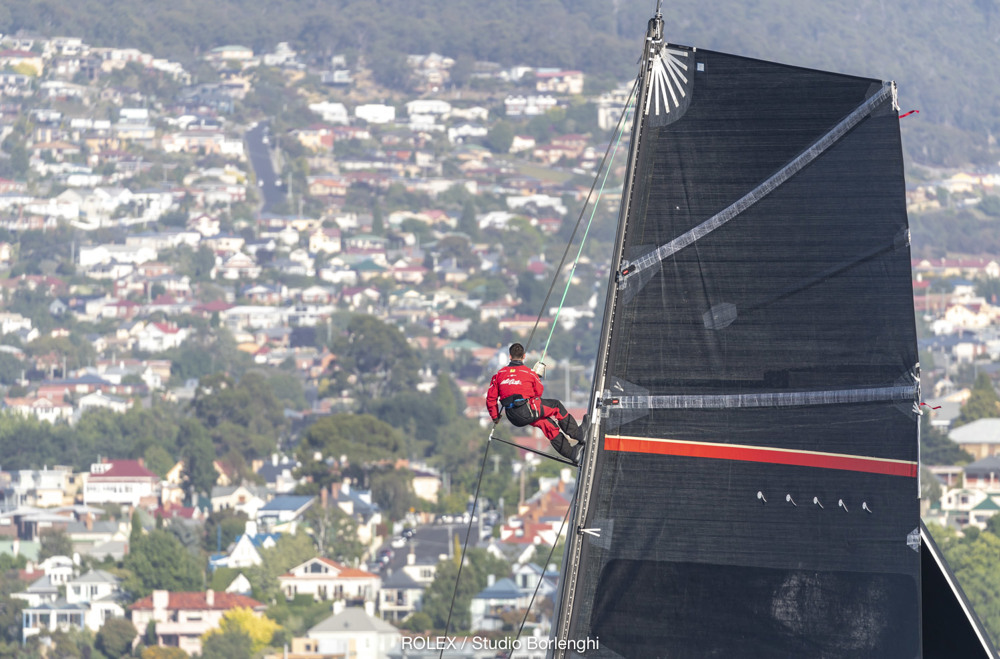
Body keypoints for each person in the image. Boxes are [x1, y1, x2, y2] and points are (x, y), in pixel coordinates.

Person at [486, 343, 587, 463]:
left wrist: (495, 417)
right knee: (556, 406)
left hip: (512, 416)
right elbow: (539, 392)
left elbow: (490, 399)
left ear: (510, 356)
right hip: (527, 410)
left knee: (547, 424)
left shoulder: (498, 375)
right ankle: (578, 434)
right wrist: (537, 376)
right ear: (524, 356)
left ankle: (572, 454)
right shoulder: (529, 373)